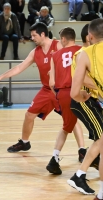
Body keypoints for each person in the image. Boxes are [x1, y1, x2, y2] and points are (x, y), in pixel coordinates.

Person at [0, 22, 84, 158]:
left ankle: (82, 150)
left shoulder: (57, 45)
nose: (32, 38)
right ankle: (24, 142)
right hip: (46, 90)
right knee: (29, 115)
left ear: (43, 34)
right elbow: (19, 68)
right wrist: (0, 77)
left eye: (34, 35)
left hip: (61, 90)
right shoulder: (35, 52)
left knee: (71, 120)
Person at [67, 21, 103, 196]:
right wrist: (98, 88)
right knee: (101, 140)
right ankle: (81, 175)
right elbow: (82, 80)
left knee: (101, 140)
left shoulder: (90, 53)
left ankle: (80, 174)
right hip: (85, 100)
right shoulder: (82, 54)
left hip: (91, 99)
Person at [47, 27, 84, 175]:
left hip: (63, 93)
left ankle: (54, 158)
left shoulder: (54, 55)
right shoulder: (82, 50)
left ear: (63, 39)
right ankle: (90, 155)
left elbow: (51, 83)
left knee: (67, 126)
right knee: (96, 127)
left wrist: (57, 95)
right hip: (81, 92)